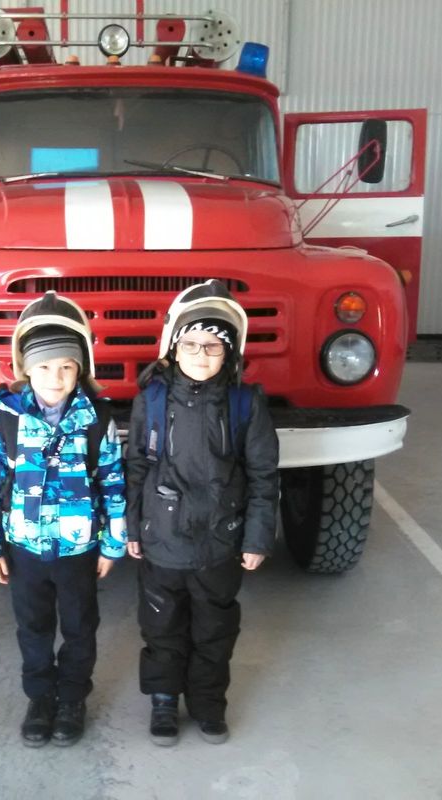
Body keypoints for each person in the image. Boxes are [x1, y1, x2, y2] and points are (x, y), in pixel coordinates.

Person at [125, 279, 279, 746]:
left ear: (229, 353)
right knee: (161, 626)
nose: (200, 354)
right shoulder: (152, 400)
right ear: (173, 349)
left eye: (213, 346)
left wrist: (256, 537)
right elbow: (136, 465)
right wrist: (132, 526)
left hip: (219, 544)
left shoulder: (245, 404)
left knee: (215, 630)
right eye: (190, 344)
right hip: (163, 541)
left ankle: (209, 704)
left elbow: (263, 474)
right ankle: (164, 701)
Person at [0, 291, 126, 747]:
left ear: (81, 369)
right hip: (25, 550)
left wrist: (113, 543)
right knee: (34, 628)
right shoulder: (7, 419)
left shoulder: (96, 419)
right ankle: (40, 699)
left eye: (66, 367)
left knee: (80, 628)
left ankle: (72, 698)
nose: (55, 378)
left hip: (79, 550)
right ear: (25, 368)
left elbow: (114, 482)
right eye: (43, 367)